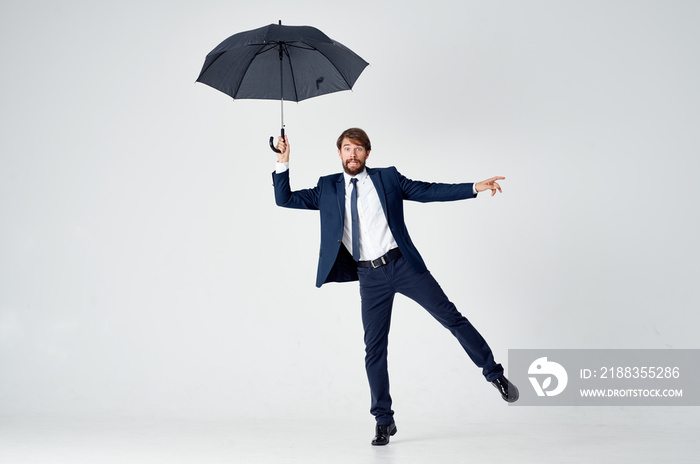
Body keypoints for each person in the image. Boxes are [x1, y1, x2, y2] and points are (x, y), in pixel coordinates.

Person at [271, 128, 518, 446]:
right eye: (347, 148)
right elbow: (284, 199)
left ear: (367, 154)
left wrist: (474, 187)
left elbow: (428, 191)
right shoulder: (327, 188)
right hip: (369, 278)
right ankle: (383, 421)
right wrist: (283, 161)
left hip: (403, 266)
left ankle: (494, 373)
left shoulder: (387, 179)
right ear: (339, 153)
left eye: (358, 149)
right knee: (374, 350)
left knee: (451, 318)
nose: (352, 154)